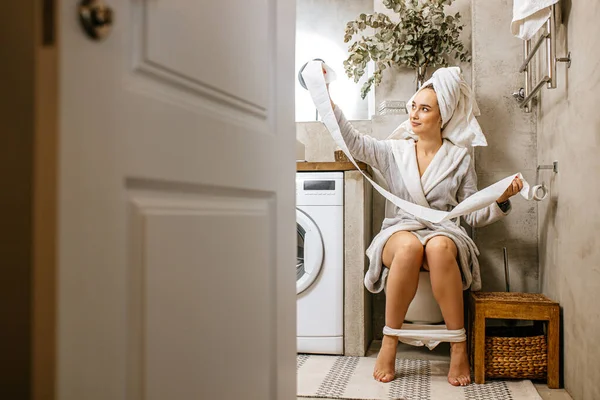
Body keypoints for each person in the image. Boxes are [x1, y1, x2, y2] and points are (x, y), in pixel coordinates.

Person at [324, 66, 523, 386]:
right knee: (409, 246)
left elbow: (471, 214)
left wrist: (500, 200)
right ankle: (390, 341)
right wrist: (328, 99)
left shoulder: (459, 158)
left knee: (441, 247)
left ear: (442, 117)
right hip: (400, 231)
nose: (414, 114)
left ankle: (458, 346)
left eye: (424, 109)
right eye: (413, 106)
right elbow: (354, 141)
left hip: (444, 232)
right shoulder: (393, 150)